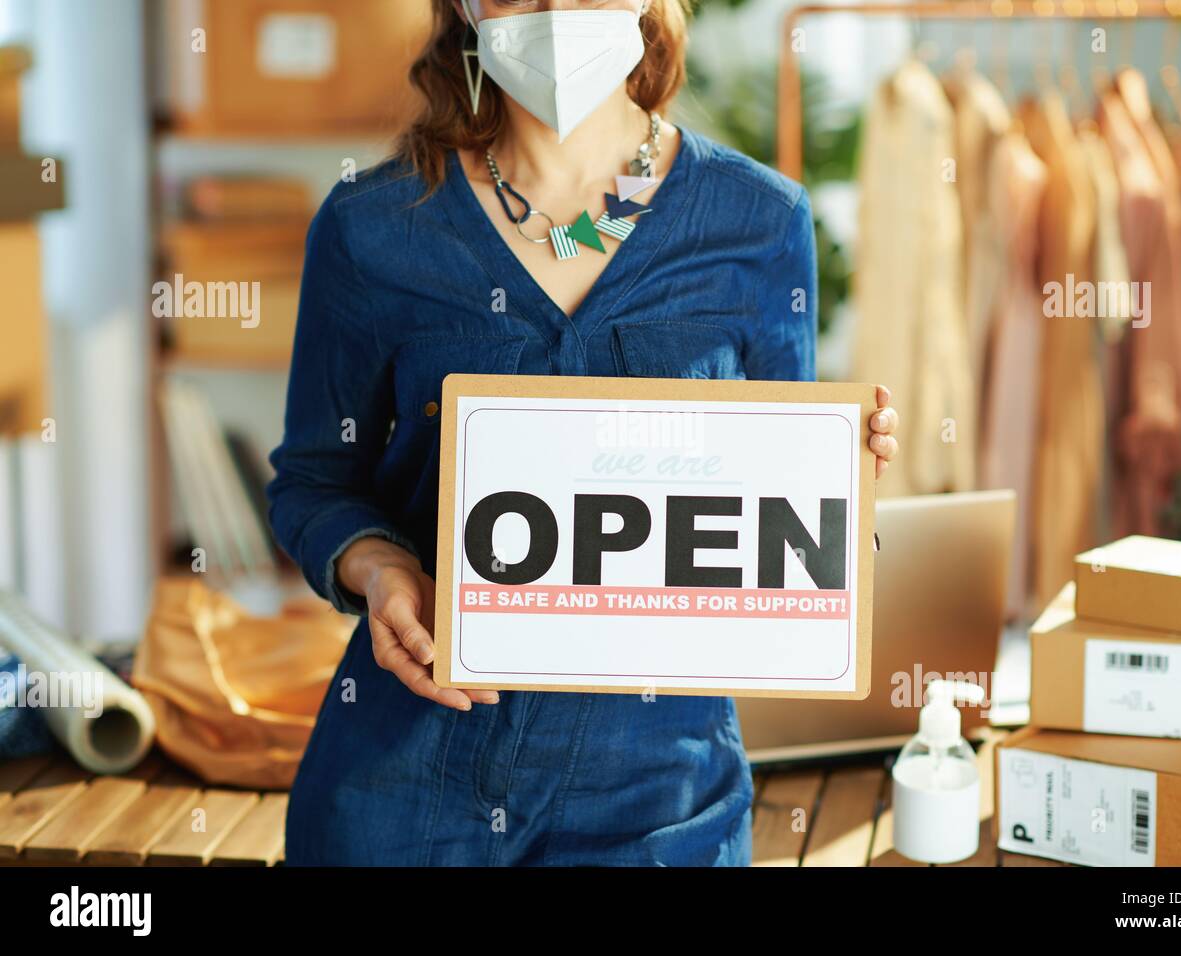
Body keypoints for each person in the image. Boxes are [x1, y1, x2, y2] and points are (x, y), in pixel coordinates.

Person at [268, 0, 900, 866]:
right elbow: (312, 480)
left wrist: (840, 487)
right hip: (406, 797)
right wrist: (377, 566)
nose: (560, 6)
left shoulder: (757, 223)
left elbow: (773, 537)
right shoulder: (370, 227)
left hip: (660, 804)